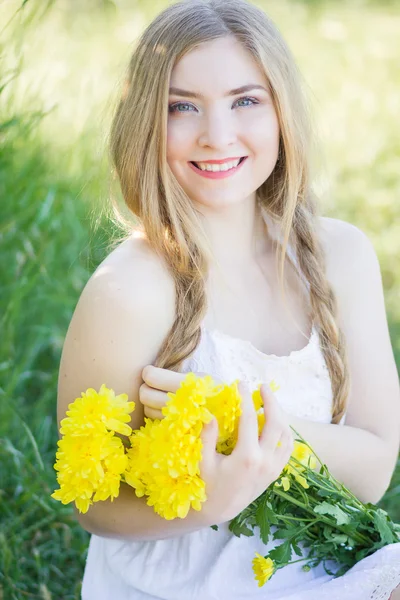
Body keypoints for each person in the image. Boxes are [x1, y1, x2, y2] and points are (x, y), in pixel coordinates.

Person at [56, 0, 400, 598]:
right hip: (184, 582)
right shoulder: (128, 291)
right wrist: (211, 499)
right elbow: (93, 503)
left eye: (246, 101)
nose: (217, 136)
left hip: (314, 564)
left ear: (281, 113)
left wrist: (249, 424)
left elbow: (371, 471)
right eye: (182, 107)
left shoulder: (342, 255)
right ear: (145, 122)